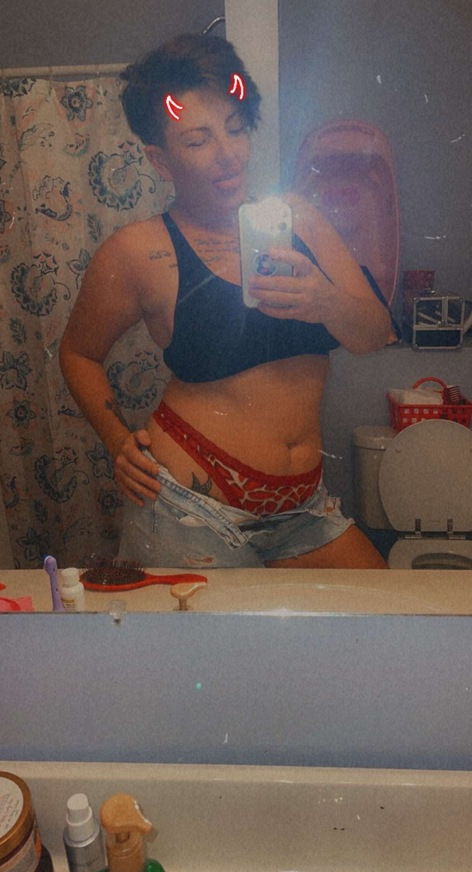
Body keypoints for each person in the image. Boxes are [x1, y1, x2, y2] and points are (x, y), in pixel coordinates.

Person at [59, 33, 391, 569]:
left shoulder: (301, 220)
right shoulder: (138, 251)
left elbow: (375, 334)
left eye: (236, 129)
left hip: (304, 511)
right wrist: (118, 440)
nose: (228, 155)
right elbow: (78, 352)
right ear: (160, 160)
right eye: (198, 141)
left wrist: (324, 300)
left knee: (382, 608)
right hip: (189, 509)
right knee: (206, 633)